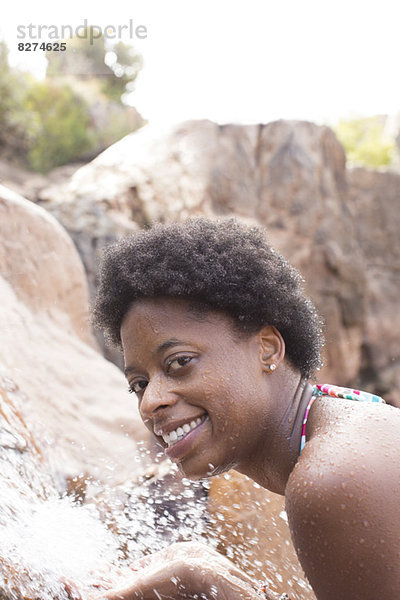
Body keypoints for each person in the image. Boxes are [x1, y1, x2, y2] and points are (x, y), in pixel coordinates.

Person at [92, 218, 400, 600]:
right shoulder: (341, 418)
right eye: (139, 384)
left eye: (179, 362)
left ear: (267, 348)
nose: (151, 401)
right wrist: (200, 570)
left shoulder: (332, 477)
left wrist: (206, 585)